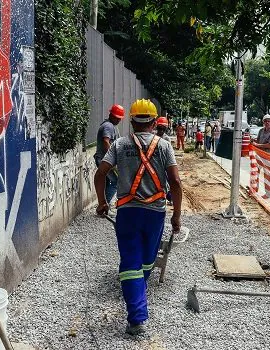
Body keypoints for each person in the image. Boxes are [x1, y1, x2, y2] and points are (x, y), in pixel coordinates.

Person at [94, 99, 183, 335]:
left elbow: (100, 173)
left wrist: (103, 202)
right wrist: (177, 216)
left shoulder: (120, 145)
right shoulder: (164, 146)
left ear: (131, 121)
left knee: (131, 260)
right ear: (154, 122)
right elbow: (174, 181)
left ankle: (137, 306)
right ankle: (137, 313)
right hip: (155, 213)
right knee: (145, 261)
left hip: (128, 212)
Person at [94, 104, 124, 204]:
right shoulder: (108, 126)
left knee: (107, 182)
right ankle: (105, 206)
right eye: (118, 118)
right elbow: (106, 141)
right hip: (105, 160)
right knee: (115, 181)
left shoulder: (109, 125)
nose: (119, 120)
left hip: (104, 159)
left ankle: (103, 205)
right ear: (112, 116)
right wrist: (112, 159)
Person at [252, 114, 270, 198]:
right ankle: (254, 189)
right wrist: (254, 140)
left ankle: (268, 194)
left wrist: (257, 145)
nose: (267, 122)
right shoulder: (261, 131)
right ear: (263, 122)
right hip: (259, 155)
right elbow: (258, 140)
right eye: (265, 121)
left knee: (268, 175)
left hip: (268, 156)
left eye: (269, 121)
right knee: (255, 172)